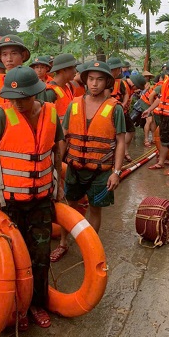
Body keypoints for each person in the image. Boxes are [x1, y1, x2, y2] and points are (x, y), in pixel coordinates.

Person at [0, 66, 64, 329]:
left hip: (41, 200)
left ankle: (35, 304)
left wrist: (60, 186)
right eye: (13, 98)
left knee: (40, 256)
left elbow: (57, 150)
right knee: (12, 258)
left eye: (23, 98)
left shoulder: (50, 113)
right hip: (9, 202)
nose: (18, 103)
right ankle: (15, 308)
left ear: (36, 93)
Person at [50, 61, 125, 262]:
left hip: (101, 170)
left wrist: (116, 172)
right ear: (85, 81)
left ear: (107, 82)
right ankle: (63, 243)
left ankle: (89, 248)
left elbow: (120, 141)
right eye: (91, 79)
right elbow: (64, 138)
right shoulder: (74, 104)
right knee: (69, 206)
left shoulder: (115, 108)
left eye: (99, 80)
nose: (94, 84)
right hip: (74, 167)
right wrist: (56, 168)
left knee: (94, 208)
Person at [0, 35, 31, 121]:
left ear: (23, 55)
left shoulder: (33, 83)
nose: (9, 59)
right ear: (0, 57)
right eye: (4, 54)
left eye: (14, 53)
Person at [45, 54, 77, 121]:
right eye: (73, 68)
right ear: (64, 70)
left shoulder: (68, 87)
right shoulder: (50, 92)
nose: (75, 71)